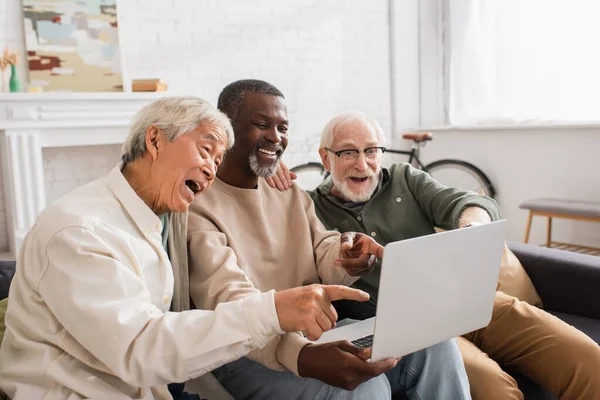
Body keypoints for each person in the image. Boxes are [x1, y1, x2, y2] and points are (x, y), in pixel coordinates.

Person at [0, 97, 370, 400]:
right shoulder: (79, 230)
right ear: (155, 141)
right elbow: (140, 349)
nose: (212, 169)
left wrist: (264, 164)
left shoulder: (157, 216)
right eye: (206, 150)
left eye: (218, 160)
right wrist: (271, 311)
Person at [270, 111, 600, 400]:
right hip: (410, 331)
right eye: (347, 152)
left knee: (586, 358)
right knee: (492, 389)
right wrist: (266, 173)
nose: (362, 164)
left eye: (371, 151)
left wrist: (471, 223)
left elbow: (467, 203)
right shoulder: (308, 207)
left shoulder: (404, 179)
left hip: (469, 303)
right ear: (325, 158)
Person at [187, 79, 472, 399]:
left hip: (312, 333)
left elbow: (320, 245)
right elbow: (232, 303)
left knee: (434, 343)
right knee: (368, 385)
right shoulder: (197, 206)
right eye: (261, 125)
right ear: (224, 128)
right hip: (243, 350)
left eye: (283, 128)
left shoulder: (287, 190)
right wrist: (299, 354)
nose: (276, 138)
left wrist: (346, 252)